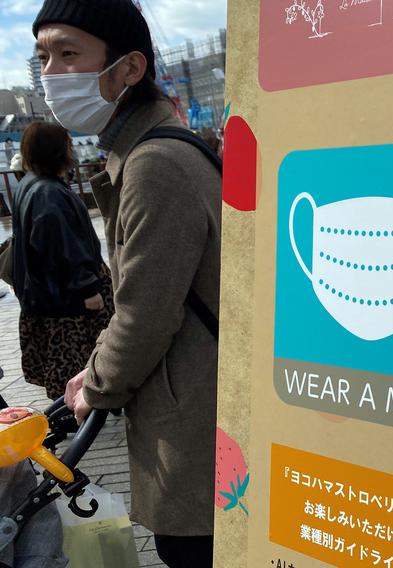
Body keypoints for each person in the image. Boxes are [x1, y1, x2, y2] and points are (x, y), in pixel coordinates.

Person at [33, 1, 221, 565]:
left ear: (129, 68)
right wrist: (93, 372)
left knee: (192, 551)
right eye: (42, 57)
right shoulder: (160, 147)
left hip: (189, 423)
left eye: (69, 53)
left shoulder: (153, 164)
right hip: (194, 401)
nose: (50, 75)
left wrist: (98, 387)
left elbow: (144, 314)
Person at [11, 122, 114, 404]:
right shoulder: (49, 193)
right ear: (58, 151)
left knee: (63, 358)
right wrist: (88, 289)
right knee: (79, 356)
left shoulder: (30, 184)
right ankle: (75, 410)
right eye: (68, 144)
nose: (72, 150)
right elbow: (63, 247)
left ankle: (73, 408)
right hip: (68, 297)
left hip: (48, 295)